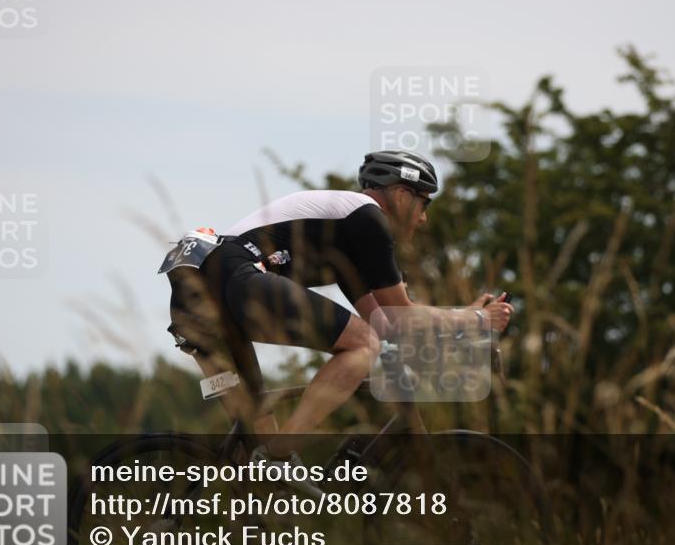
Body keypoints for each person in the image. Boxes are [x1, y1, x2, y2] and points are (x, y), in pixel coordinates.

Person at [158, 150, 514, 460]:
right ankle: (279, 453)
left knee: (260, 452)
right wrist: (476, 319)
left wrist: (460, 326)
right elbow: (400, 314)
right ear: (402, 194)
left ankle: (235, 494)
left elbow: (387, 323)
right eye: (425, 203)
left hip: (195, 296)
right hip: (236, 280)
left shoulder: (344, 238)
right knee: (362, 346)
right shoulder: (367, 216)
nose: (424, 218)